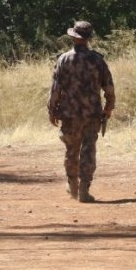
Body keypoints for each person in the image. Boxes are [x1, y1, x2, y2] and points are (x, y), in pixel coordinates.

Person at [47, 21, 115, 203]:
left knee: (71, 149)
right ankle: (84, 189)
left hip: (69, 114)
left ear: (73, 37)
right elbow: (108, 88)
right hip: (92, 113)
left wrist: (51, 110)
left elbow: (55, 89)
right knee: (88, 150)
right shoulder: (98, 60)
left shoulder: (63, 60)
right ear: (88, 39)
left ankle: (72, 186)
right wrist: (108, 107)